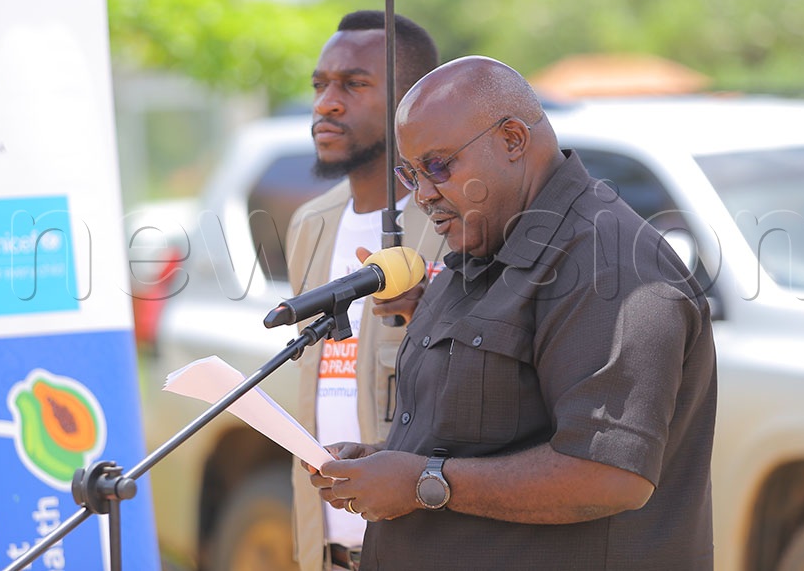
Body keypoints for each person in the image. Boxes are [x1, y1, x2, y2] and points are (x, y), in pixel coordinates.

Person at [307, 55, 718, 569]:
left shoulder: (607, 264)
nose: (423, 194)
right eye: (410, 174)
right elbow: (486, 432)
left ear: (513, 140)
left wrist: (422, 481)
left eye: (438, 166)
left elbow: (609, 475)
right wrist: (389, 461)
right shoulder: (483, 242)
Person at [285, 10, 446, 571]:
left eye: (353, 85)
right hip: (327, 549)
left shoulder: (454, 224)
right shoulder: (310, 223)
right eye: (320, 85)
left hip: (417, 546)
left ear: (412, 104)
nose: (326, 103)